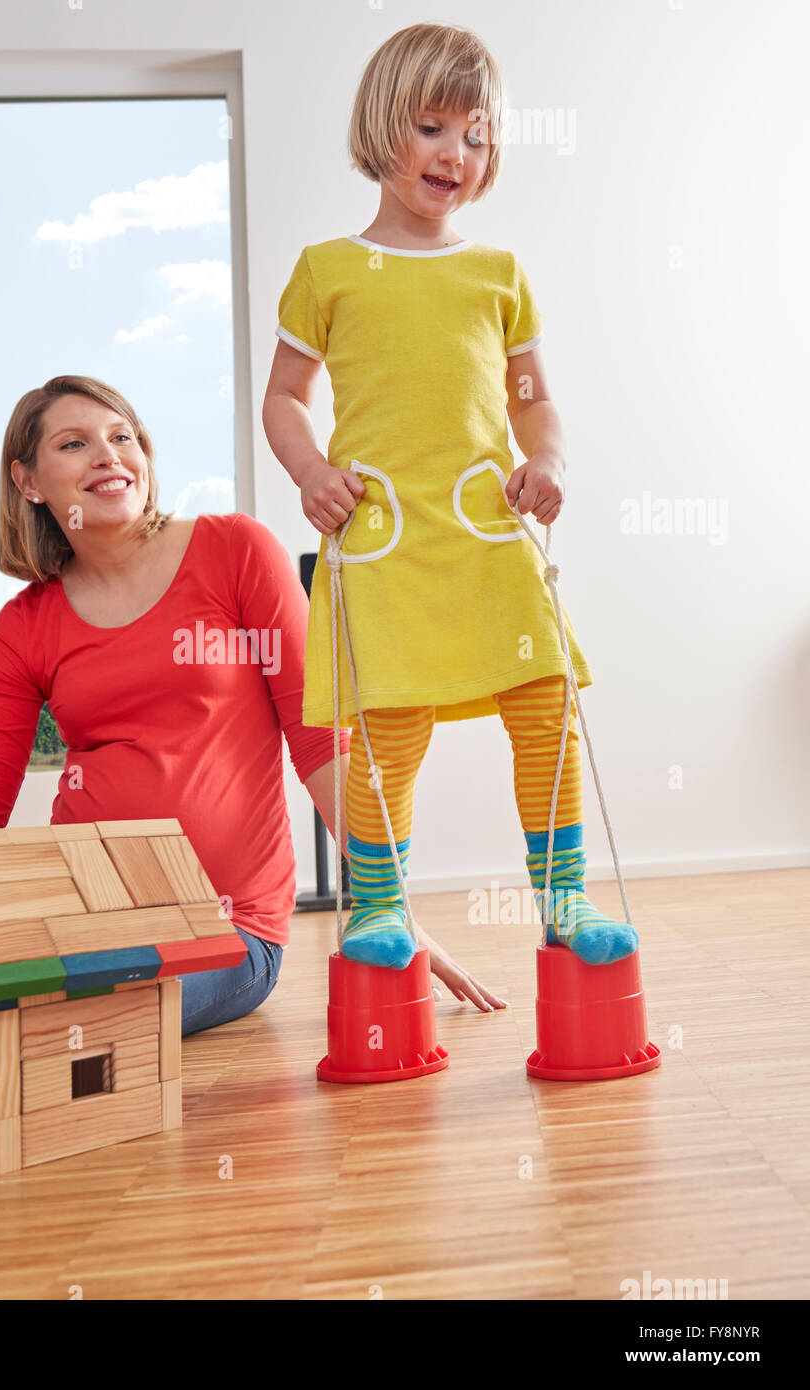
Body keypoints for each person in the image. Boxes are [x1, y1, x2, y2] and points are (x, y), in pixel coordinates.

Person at [0, 375, 507, 1087]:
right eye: (73, 443)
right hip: (66, 908)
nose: (108, 455)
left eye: (122, 435)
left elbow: (318, 744)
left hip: (223, 928)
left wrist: (387, 908)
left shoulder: (236, 551)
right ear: (27, 481)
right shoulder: (19, 631)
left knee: (55, 1021)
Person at [262, 22, 638, 971]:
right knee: (389, 728)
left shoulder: (496, 274)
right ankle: (378, 906)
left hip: (484, 536)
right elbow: (284, 399)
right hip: (384, 541)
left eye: (476, 136)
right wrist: (310, 472)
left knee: (545, 703)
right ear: (380, 126)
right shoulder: (328, 270)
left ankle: (563, 897)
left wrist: (547, 460)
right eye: (431, 128)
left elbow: (533, 398)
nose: (454, 155)